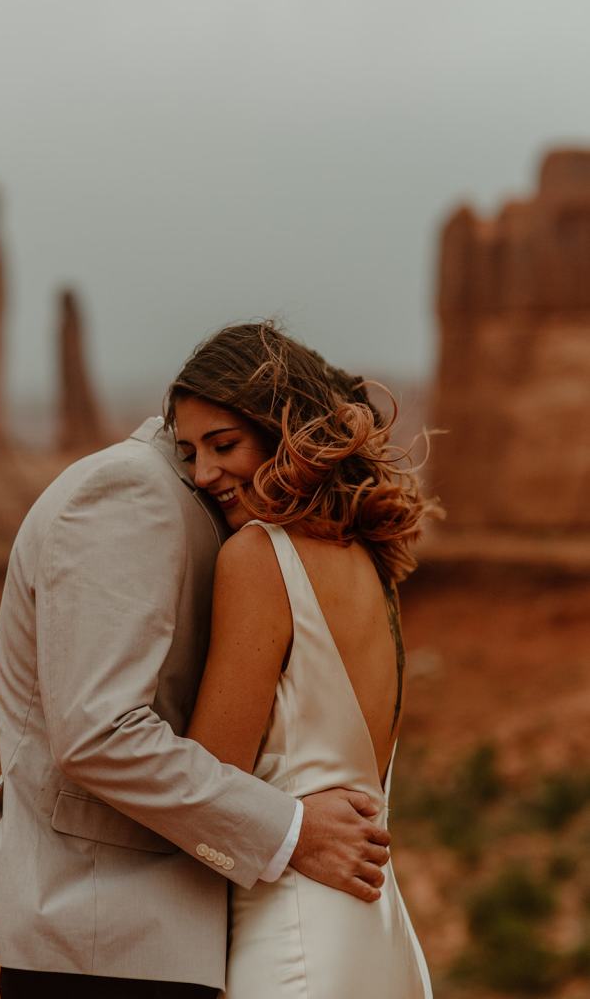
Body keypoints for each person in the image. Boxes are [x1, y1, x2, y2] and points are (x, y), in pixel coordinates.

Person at [0, 371, 392, 998]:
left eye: (228, 446)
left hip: (174, 942)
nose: (212, 472)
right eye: (205, 447)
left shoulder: (273, 544)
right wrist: (289, 829)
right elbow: (96, 733)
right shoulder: (130, 491)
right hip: (99, 940)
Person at [166, 321, 438, 998]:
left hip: (293, 941)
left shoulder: (258, 557)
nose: (203, 474)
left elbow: (206, 787)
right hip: (375, 931)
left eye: (223, 445)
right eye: (188, 453)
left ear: (280, 425)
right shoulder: (370, 562)